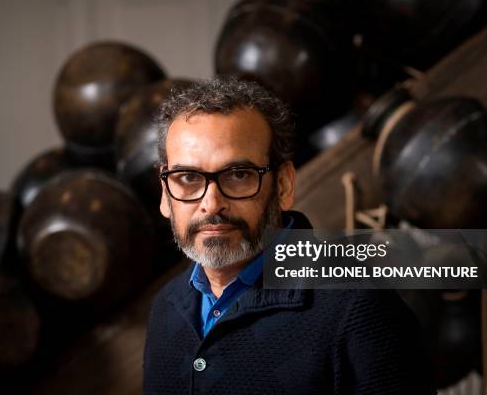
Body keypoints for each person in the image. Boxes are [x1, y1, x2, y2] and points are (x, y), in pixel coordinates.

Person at [143, 76, 436, 394]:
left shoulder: (361, 308)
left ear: (283, 185)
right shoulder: (165, 309)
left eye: (239, 175)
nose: (211, 204)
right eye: (187, 177)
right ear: (165, 192)